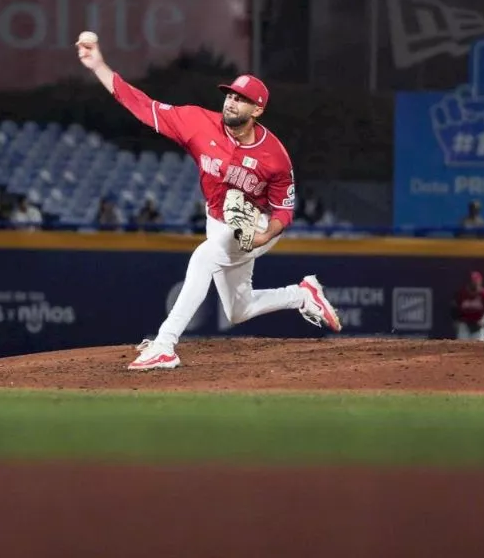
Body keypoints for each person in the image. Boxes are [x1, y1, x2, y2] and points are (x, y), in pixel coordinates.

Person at [77, 33, 341, 371]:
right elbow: (143, 105)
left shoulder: (274, 157)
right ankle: (303, 294)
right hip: (217, 218)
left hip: (253, 224)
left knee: (204, 256)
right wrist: (98, 65)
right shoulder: (197, 123)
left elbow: (285, 208)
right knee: (238, 309)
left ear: (257, 109)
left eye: (241, 99)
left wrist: (264, 236)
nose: (231, 102)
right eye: (230, 94)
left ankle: (165, 344)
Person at [452, 271, 484, 341]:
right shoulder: (461, 294)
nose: (475, 283)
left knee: (479, 348)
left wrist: (483, 320)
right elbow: (454, 309)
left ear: (480, 282)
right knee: (462, 347)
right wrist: (457, 321)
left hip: (478, 326)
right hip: (464, 325)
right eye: (473, 281)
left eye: (476, 281)